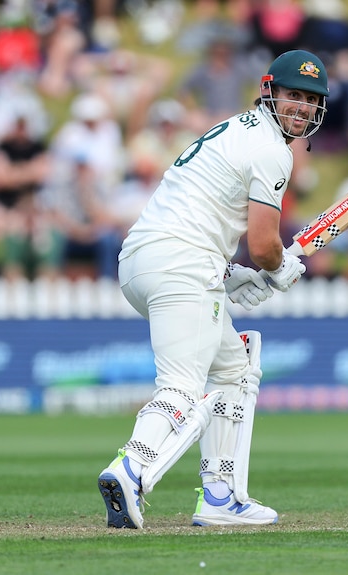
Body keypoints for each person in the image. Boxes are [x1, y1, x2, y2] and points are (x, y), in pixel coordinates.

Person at [97, 49, 328, 529]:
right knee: (182, 386)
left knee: (234, 369)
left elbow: (204, 213)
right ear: (270, 93)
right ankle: (132, 466)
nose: (301, 107)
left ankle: (221, 495)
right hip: (182, 263)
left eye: (310, 99)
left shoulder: (236, 128)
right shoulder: (273, 150)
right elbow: (265, 244)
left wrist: (230, 274)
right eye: (293, 96)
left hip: (144, 260)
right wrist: (278, 268)